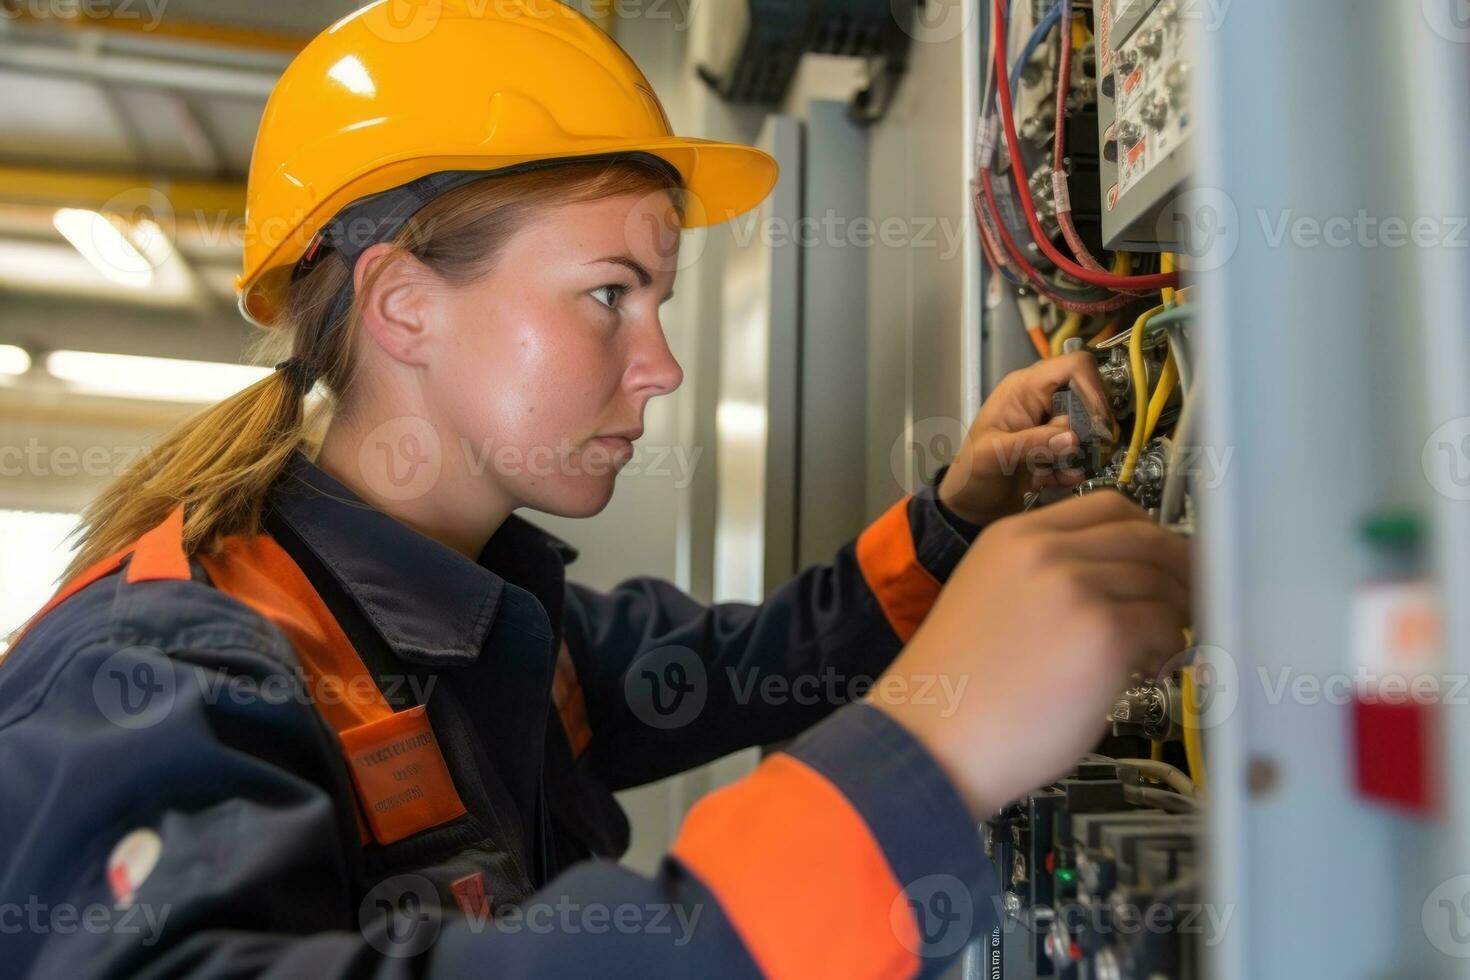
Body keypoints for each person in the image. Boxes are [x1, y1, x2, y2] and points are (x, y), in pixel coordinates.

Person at [0, 2, 1191, 977]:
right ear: (403, 303)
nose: (662, 363)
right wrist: (922, 758)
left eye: (658, 302)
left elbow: (766, 656)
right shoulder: (163, 667)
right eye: (609, 293)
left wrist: (959, 513)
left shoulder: (496, 622)